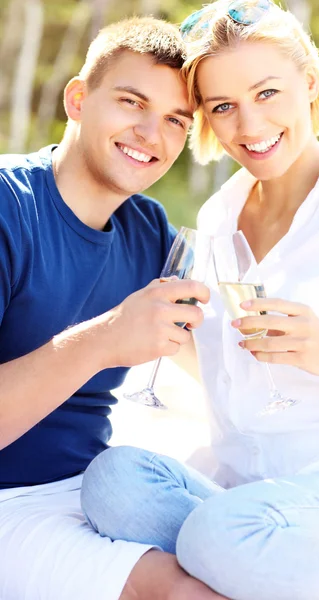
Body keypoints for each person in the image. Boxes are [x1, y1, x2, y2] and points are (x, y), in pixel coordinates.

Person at [80, 1, 319, 599]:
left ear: (308, 83)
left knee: (222, 531)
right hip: (252, 488)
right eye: (222, 106)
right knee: (114, 481)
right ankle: (272, 570)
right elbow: (234, 377)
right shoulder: (218, 216)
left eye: (267, 92)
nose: (249, 125)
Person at [0, 15, 229, 600]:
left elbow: (219, 367)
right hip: (9, 502)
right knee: (185, 591)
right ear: (78, 100)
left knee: (252, 550)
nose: (151, 134)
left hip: (92, 489)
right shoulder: (8, 208)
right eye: (132, 103)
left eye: (176, 121)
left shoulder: (148, 229)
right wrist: (104, 338)